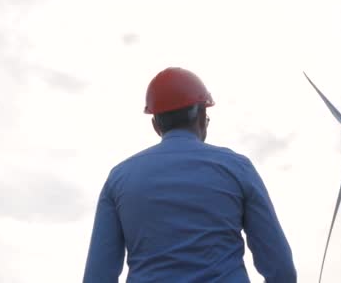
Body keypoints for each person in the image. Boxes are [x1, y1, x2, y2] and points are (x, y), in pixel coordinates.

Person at [83, 67, 296, 282]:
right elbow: (282, 270)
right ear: (202, 115)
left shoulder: (119, 179)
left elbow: (97, 277)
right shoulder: (238, 169)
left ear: (156, 125)